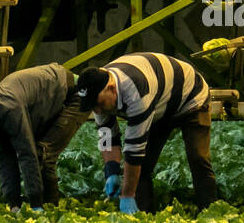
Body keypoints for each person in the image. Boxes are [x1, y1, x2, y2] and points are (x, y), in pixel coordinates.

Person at [75, 54, 216, 214]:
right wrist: (111, 171)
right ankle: (144, 215)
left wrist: (127, 194)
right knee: (143, 166)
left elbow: (134, 151)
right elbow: (107, 136)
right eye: (92, 106)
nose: (97, 111)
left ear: (112, 89)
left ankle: (210, 210)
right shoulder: (99, 94)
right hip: (160, 104)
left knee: (198, 157)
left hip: (191, 97)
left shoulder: (136, 91)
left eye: (99, 104)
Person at [0, 63, 87, 211]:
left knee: (43, 152)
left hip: (76, 94)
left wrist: (35, 203)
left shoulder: (8, 107)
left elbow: (27, 153)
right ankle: (42, 206)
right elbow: (4, 158)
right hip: (46, 99)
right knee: (33, 152)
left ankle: (50, 211)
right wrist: (13, 203)